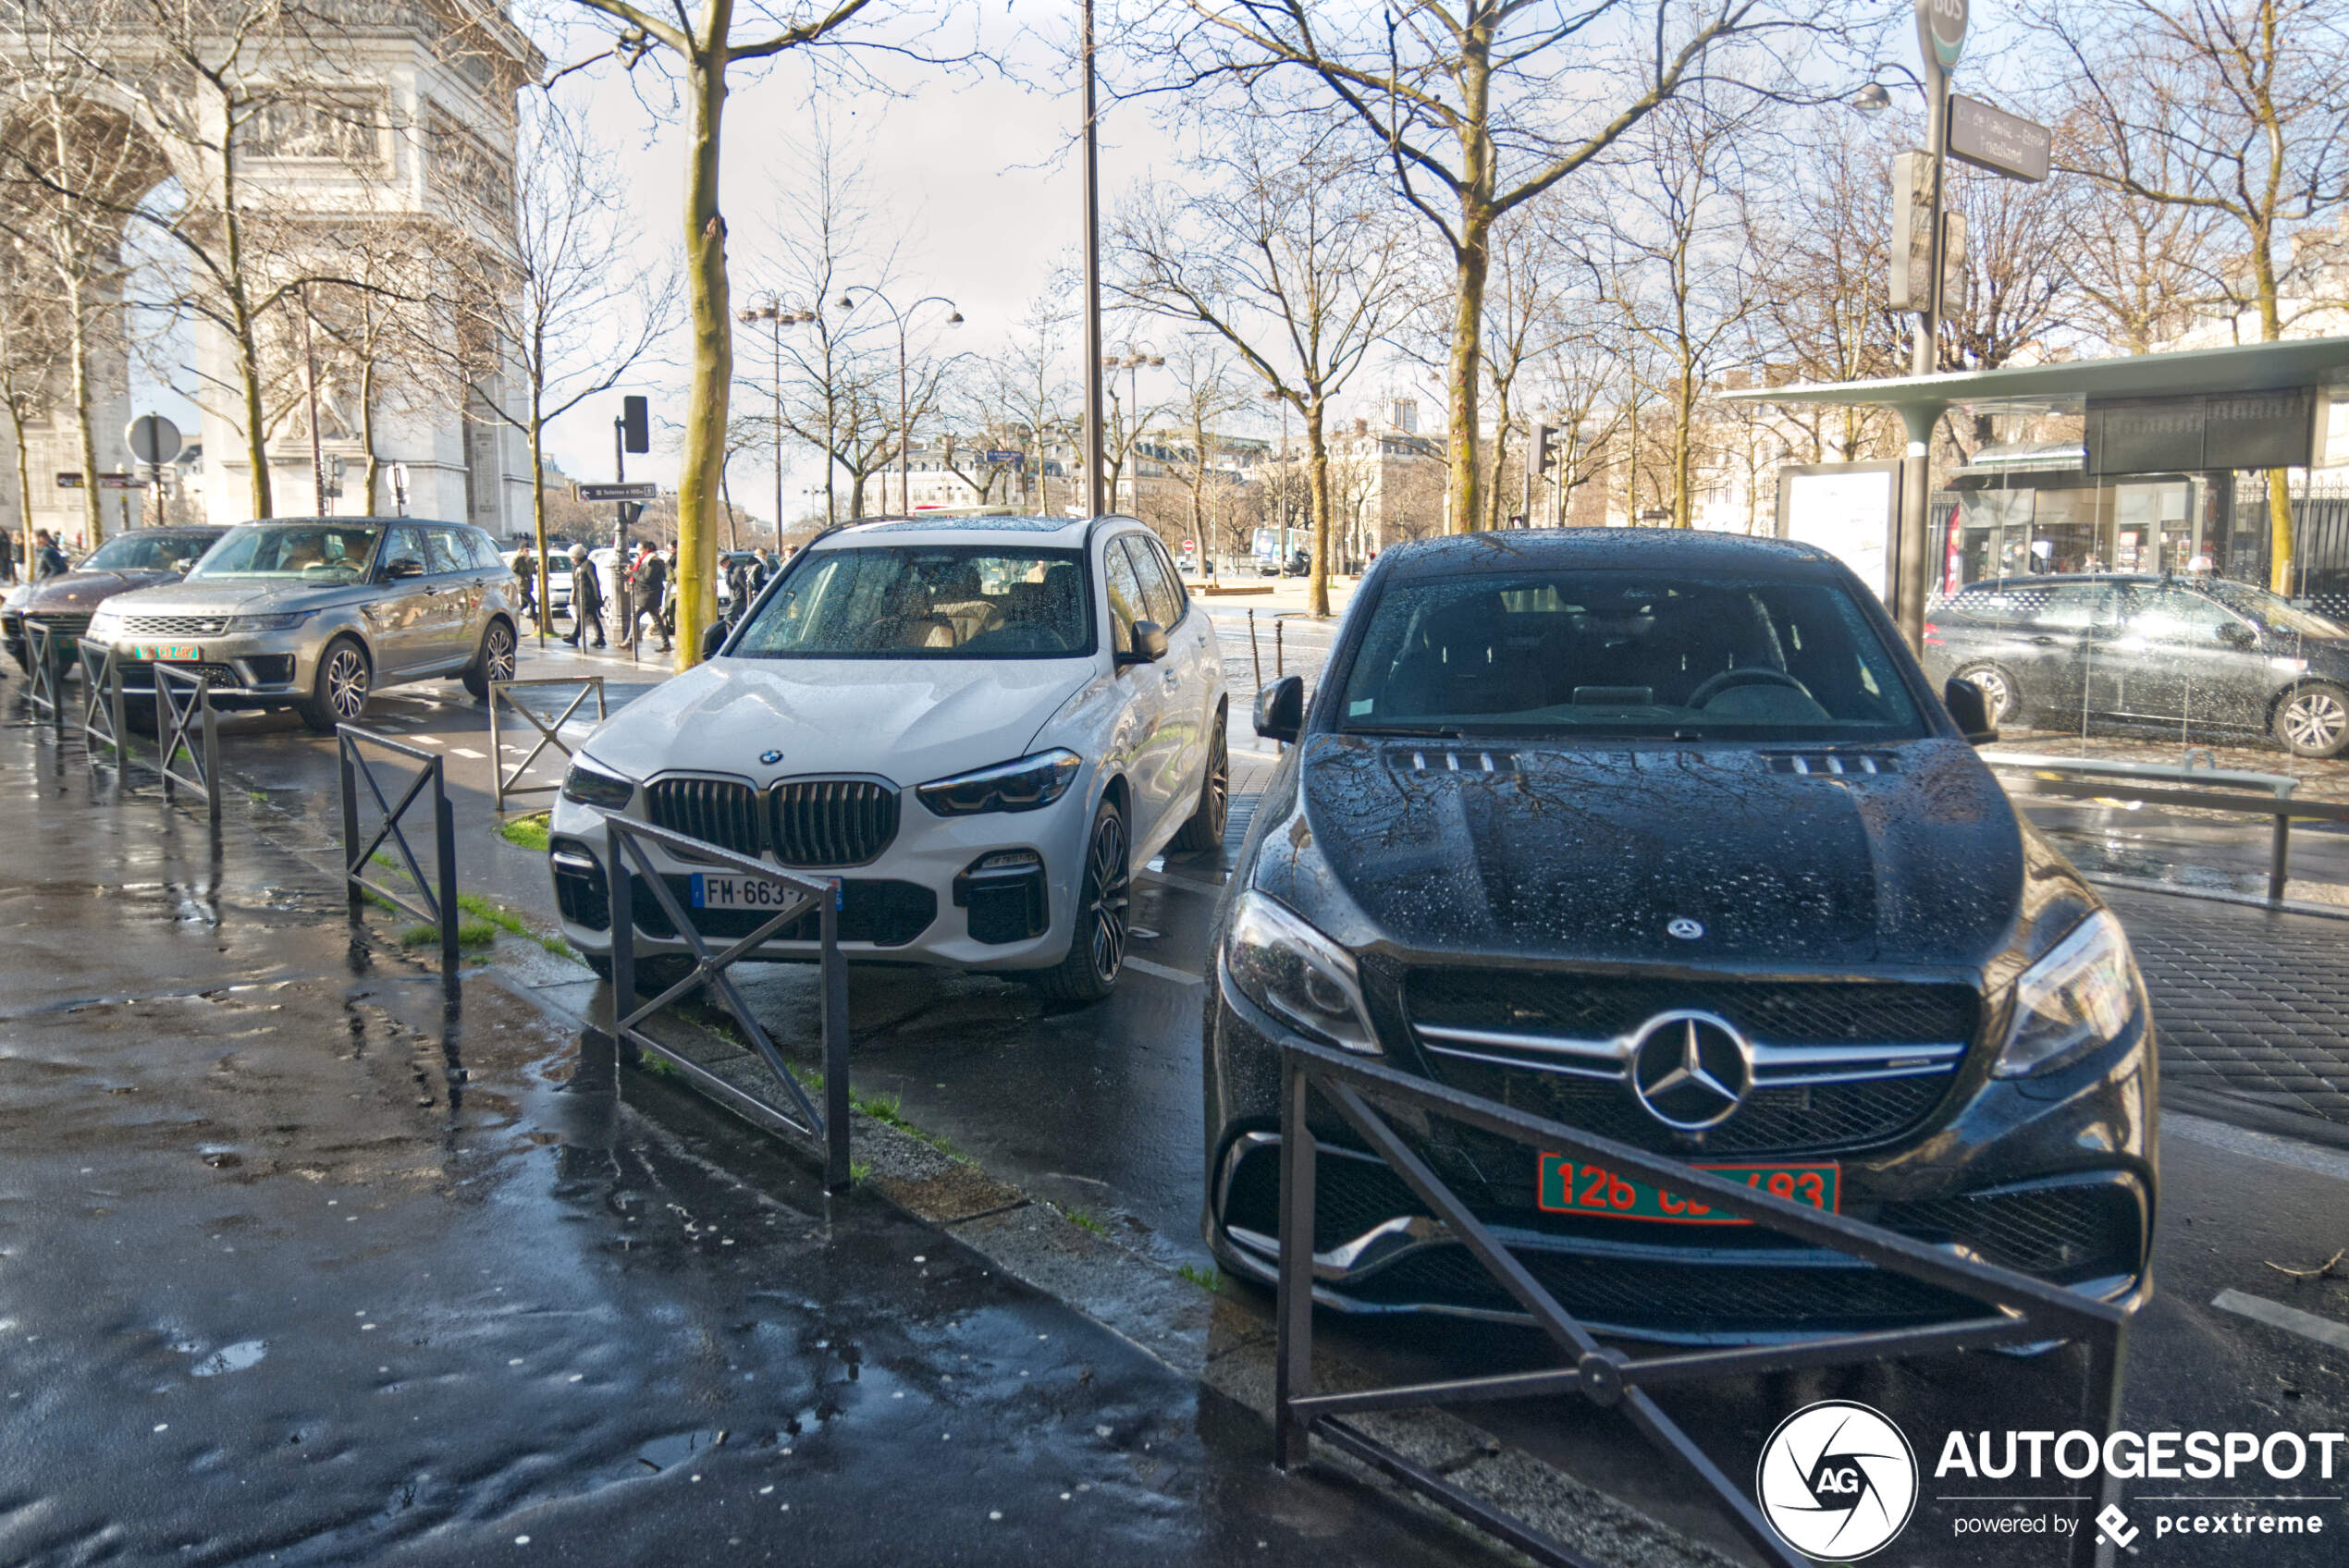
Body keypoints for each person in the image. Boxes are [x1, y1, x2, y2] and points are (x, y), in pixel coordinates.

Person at [629, 541, 669, 654]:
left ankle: (630, 641)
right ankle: (666, 644)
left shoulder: (653, 561)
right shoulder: (645, 560)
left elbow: (647, 578)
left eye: (640, 550)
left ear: (646, 550)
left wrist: (632, 573)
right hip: (647, 593)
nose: (638, 553)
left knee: (635, 615)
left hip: (650, 594)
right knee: (656, 619)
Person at [562, 544, 606, 648]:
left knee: (582, 616)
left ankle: (575, 637)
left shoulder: (588, 565)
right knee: (591, 617)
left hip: (587, 596)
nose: (572, 559)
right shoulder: (577, 566)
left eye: (573, 557)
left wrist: (597, 596)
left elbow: (594, 581)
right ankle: (600, 637)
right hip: (580, 595)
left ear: (578, 556)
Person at [512, 545, 538, 626]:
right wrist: (521, 575)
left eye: (528, 550)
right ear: (521, 550)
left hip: (529, 584)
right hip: (522, 585)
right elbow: (513, 570)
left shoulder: (530, 559)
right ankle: (534, 618)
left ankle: (513, 615)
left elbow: (534, 570)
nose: (527, 552)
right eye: (526, 550)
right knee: (532, 602)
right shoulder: (517, 559)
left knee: (524, 605)